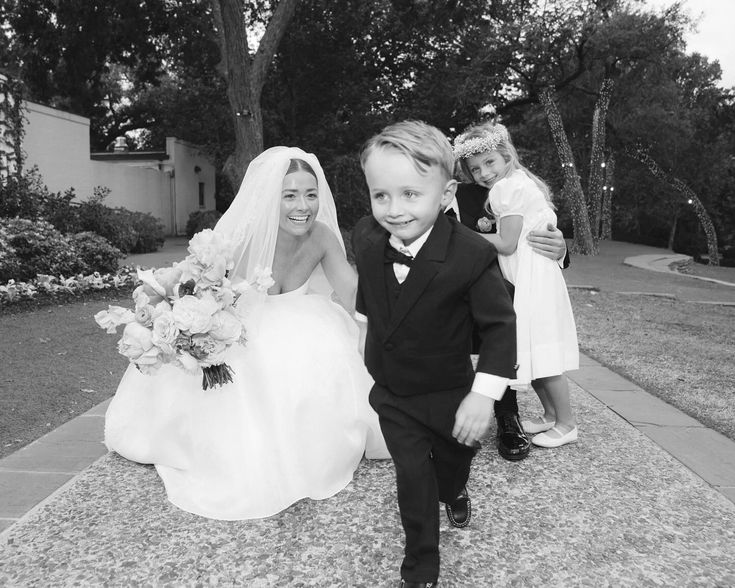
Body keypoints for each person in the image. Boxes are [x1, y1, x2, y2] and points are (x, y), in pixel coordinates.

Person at [104, 146, 389, 521]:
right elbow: (193, 285)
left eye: (310, 194)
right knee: (254, 371)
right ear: (271, 199)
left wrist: (381, 325)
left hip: (305, 321)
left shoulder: (321, 236)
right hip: (242, 326)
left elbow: (353, 293)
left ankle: (308, 453)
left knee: (329, 359)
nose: (301, 205)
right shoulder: (242, 239)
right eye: (289, 195)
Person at [352, 121, 517, 587]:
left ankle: (456, 486)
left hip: (449, 391)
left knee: (453, 460)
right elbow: (371, 299)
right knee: (412, 475)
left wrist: (483, 395)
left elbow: (500, 328)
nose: (393, 209)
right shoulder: (366, 237)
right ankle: (420, 565)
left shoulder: (469, 254)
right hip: (393, 391)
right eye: (380, 195)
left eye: (409, 194)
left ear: (445, 193)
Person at [453, 119, 579, 448]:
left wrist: (562, 250)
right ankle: (552, 416)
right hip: (501, 283)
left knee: (541, 350)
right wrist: (486, 223)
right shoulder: (503, 186)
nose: (483, 173)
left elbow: (513, 241)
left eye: (489, 163)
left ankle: (563, 422)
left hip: (528, 278)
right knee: (533, 350)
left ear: (506, 155)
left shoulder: (509, 187)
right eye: (475, 168)